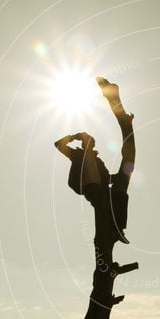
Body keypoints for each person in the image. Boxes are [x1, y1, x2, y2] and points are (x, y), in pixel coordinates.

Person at [54, 77, 135, 246]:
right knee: (101, 201)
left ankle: (118, 228)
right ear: (84, 143)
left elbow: (106, 178)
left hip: (101, 186)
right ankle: (106, 233)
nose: (91, 143)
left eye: (92, 141)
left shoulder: (98, 161)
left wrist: (119, 178)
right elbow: (57, 145)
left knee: (120, 196)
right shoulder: (76, 155)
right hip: (88, 187)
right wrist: (73, 136)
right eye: (88, 141)